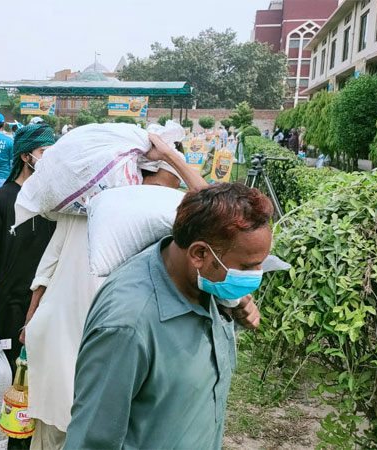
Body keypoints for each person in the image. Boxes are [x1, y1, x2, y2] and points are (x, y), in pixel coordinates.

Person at [20, 135, 211, 449]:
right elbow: (211, 199)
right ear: (140, 176)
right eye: (167, 182)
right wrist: (31, 319)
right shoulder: (127, 209)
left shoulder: (131, 213)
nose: (171, 192)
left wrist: (32, 319)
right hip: (75, 336)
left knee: (64, 427)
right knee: (67, 426)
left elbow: (46, 269)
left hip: (83, 338)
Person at [64, 182, 271, 450]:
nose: (257, 274)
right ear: (199, 254)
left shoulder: (208, 286)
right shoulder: (128, 326)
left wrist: (233, 309)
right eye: (247, 266)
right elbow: (91, 440)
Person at [0, 124, 57, 377]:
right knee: (11, 374)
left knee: (43, 373)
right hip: (11, 305)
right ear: (26, 156)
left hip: (49, 302)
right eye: (44, 152)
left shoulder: (56, 201)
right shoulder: (1, 200)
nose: (50, 159)